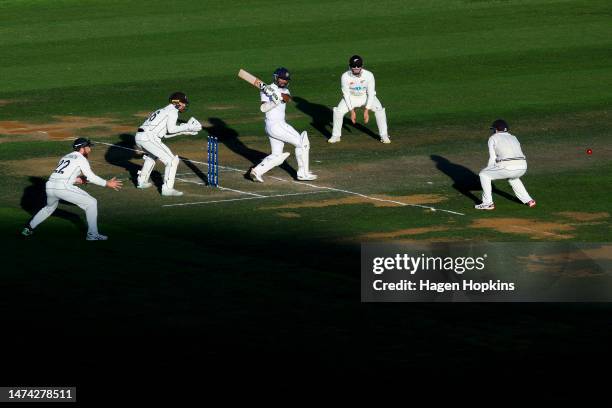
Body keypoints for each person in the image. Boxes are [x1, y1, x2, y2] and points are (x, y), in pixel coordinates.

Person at [21, 138, 123, 240]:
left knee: (49, 208)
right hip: (62, 188)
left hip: (50, 186)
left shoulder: (65, 157)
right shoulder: (81, 159)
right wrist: (107, 183)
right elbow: (91, 177)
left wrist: (77, 180)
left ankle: (28, 229)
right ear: (82, 148)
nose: (90, 149)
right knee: (91, 203)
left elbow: (62, 175)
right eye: (88, 147)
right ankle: (92, 234)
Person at [249, 67, 317, 182]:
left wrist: (278, 95)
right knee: (302, 143)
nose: (284, 81)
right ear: (276, 78)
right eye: (282, 79)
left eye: (286, 79)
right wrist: (274, 102)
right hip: (275, 125)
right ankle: (303, 173)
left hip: (274, 126)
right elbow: (263, 108)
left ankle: (256, 172)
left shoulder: (285, 90)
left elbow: (287, 98)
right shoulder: (266, 90)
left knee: (277, 155)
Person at [135, 92, 202, 196]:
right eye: (183, 102)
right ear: (177, 102)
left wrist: (184, 131)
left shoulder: (162, 110)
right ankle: (167, 189)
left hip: (140, 137)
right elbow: (171, 129)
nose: (184, 105)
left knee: (152, 156)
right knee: (171, 160)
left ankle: (141, 181)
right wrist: (188, 126)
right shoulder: (173, 111)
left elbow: (165, 134)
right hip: (149, 138)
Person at [475, 119, 536, 210]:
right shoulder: (514, 137)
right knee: (513, 178)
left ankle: (488, 203)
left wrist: (489, 169)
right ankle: (529, 200)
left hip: (507, 167)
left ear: (496, 130)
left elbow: (492, 157)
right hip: (523, 166)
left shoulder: (493, 138)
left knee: (483, 174)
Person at [329, 55, 390, 144]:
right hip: (351, 97)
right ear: (350, 66)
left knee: (379, 110)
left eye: (358, 65)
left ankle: (384, 135)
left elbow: (371, 93)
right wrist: (352, 111)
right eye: (354, 66)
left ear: (362, 65)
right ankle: (336, 135)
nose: (356, 68)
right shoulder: (345, 76)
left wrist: (366, 110)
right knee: (338, 111)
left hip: (366, 96)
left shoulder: (369, 75)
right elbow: (346, 94)